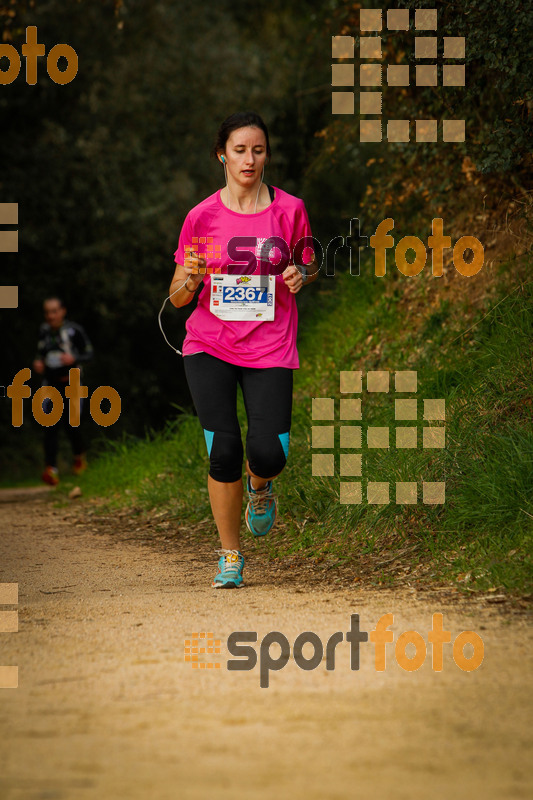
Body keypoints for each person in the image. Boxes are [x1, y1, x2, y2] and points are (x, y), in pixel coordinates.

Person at [169, 111, 318, 589]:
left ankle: (261, 487)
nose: (249, 159)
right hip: (209, 343)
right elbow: (176, 297)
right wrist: (189, 282)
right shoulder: (201, 216)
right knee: (224, 451)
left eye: (257, 150)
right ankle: (230, 556)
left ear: (266, 154)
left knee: (268, 452)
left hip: (271, 344)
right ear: (222, 155)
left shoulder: (290, 209)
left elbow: (308, 263)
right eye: (239, 150)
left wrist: (300, 274)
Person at [33, 296, 94, 485]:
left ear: (62, 311)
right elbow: (39, 354)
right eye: (47, 312)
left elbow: (89, 353)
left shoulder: (74, 331)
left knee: (72, 425)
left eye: (54, 311)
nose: (50, 316)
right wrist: (38, 363)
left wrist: (73, 358)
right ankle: (51, 469)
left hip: (72, 382)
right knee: (49, 426)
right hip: (50, 384)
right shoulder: (43, 332)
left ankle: (79, 458)